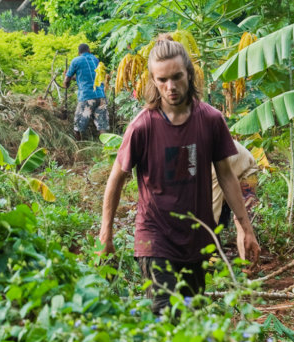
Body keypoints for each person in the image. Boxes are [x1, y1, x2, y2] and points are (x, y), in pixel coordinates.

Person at [99, 35, 261, 314]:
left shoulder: (211, 120)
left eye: (176, 77)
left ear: (189, 74)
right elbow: (116, 179)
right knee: (167, 313)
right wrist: (106, 234)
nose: (170, 87)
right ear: (152, 80)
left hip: (197, 238)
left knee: (191, 316)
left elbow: (226, 175)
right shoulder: (142, 127)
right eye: (162, 80)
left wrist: (245, 228)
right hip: (154, 237)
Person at [212, 140, 260, 228]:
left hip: (246, 171)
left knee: (243, 224)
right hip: (226, 169)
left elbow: (212, 209)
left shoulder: (214, 164)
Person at [64, 43, 108, 141]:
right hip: (101, 96)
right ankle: (107, 148)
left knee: (78, 125)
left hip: (87, 97)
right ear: (89, 50)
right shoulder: (96, 60)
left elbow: (66, 80)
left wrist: (66, 84)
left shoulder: (76, 61)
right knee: (102, 125)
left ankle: (79, 147)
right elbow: (88, 78)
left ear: (79, 52)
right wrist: (74, 79)